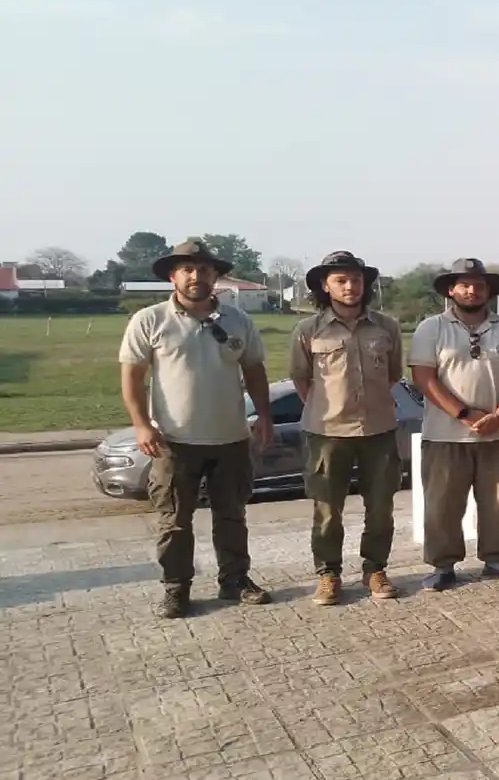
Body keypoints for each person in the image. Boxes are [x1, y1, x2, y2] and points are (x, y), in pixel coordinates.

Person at [120, 240, 274, 618]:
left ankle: (235, 581)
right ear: (173, 275)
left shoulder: (238, 320)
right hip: (174, 442)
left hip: (231, 439)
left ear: (216, 276)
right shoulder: (149, 320)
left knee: (232, 517)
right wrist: (141, 424)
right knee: (174, 522)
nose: (196, 276)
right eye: (187, 269)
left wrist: (265, 417)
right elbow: (132, 376)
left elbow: (254, 370)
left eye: (204, 269)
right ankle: (176, 589)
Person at [409, 259, 499, 590]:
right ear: (451, 290)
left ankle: (497, 560)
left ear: (489, 291)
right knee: (443, 505)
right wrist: (465, 414)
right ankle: (443, 565)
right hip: (445, 435)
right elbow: (424, 377)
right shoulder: (431, 328)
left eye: (479, 285)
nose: (472, 290)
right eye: (464, 284)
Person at [290, 250, 405, 606]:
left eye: (356, 279)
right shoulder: (307, 330)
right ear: (326, 286)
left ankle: (375, 570)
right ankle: (328, 574)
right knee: (326, 509)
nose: (350, 286)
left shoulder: (386, 326)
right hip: (326, 433)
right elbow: (301, 379)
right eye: (340, 280)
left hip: (379, 430)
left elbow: (393, 374)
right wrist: (331, 407)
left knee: (381, 507)